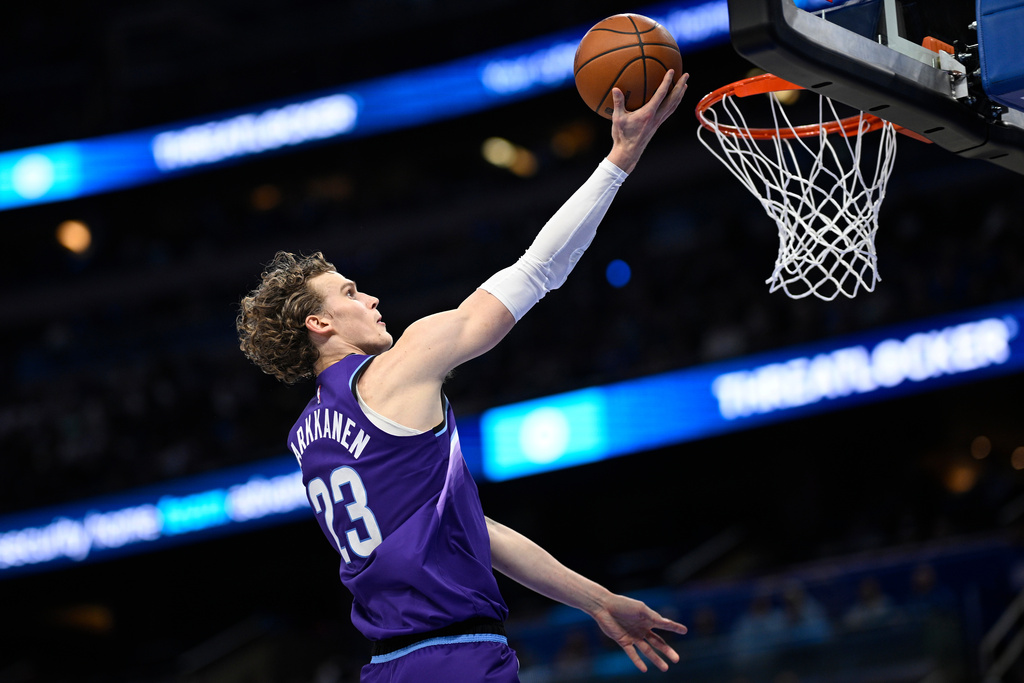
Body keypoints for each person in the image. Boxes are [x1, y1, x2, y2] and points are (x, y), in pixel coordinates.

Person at [236, 70, 689, 682]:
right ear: (320, 323)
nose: (370, 299)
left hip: (387, 668)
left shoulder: (306, 435)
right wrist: (619, 160)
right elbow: (536, 272)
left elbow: (475, 532)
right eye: (349, 293)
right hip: (457, 658)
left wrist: (598, 601)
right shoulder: (399, 368)